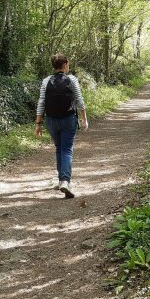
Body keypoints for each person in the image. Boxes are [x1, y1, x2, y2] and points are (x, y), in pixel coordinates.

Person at [34, 54, 89, 198]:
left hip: (51, 120)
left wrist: (38, 123)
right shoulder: (72, 79)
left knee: (59, 148)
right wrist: (84, 118)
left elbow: (41, 102)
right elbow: (79, 100)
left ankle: (61, 180)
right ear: (65, 64)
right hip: (68, 119)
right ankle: (65, 180)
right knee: (66, 150)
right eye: (68, 63)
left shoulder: (46, 81)